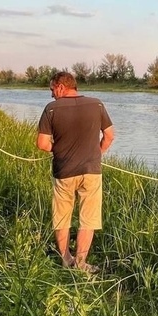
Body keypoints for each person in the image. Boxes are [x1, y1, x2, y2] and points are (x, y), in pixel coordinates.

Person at [36, 71, 114, 273]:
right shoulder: (96, 104)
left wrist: (59, 149)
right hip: (91, 171)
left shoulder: (51, 109)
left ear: (61, 86)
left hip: (64, 171)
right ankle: (81, 263)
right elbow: (109, 135)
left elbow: (43, 144)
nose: (52, 94)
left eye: (52, 89)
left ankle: (65, 259)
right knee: (88, 217)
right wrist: (97, 153)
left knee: (62, 216)